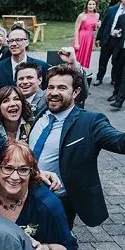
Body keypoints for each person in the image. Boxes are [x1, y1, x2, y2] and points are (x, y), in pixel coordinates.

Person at [29, 64, 125, 229]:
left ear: (75, 92)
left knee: (57, 247)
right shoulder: (41, 112)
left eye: (62, 87)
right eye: (50, 87)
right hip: (27, 192)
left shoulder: (90, 122)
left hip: (59, 201)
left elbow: (119, 143)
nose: (54, 92)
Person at [0, 141, 78, 250]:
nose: (14, 177)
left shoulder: (48, 206)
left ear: (32, 172)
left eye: (23, 170)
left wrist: (47, 249)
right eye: (8, 168)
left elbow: (70, 248)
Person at [0, 24, 50, 90]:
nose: (14, 44)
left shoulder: (41, 66)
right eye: (11, 41)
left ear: (27, 42)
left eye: (18, 40)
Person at [93, 0, 125, 86]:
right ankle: (99, 78)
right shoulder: (112, 9)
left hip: (119, 41)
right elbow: (104, 24)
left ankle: (114, 79)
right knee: (103, 60)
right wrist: (98, 38)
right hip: (108, 38)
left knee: (116, 61)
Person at [74, 0, 100, 68]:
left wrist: (97, 25)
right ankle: (74, 73)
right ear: (87, 5)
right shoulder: (81, 15)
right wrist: (76, 43)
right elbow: (76, 29)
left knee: (84, 57)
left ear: (95, 6)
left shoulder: (97, 15)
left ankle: (81, 73)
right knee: (77, 57)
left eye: (93, 4)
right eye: (90, 4)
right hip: (81, 37)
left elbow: (94, 29)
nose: (91, 6)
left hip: (89, 39)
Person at [108, 14, 125, 108]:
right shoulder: (122, 17)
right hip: (120, 50)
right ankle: (116, 93)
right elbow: (117, 30)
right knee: (117, 73)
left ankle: (120, 100)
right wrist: (115, 33)